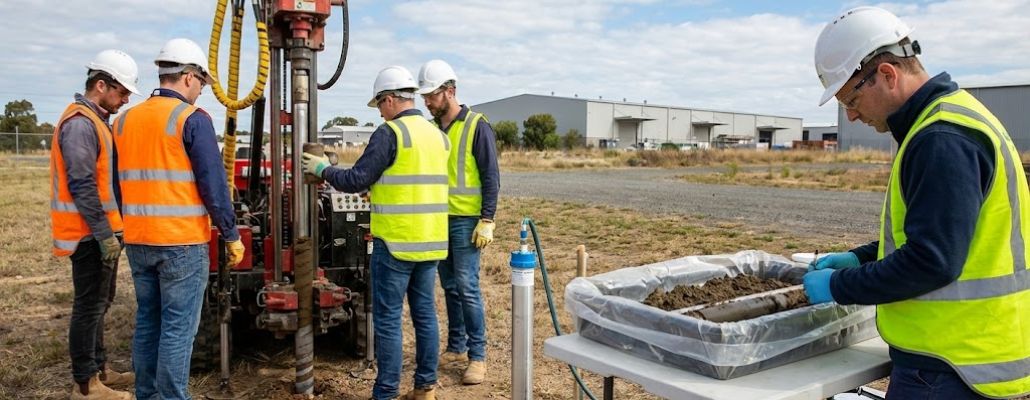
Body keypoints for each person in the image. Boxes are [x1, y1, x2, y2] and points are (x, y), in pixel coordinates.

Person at [805, 6, 1029, 399]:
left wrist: (840, 286)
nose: (852, 115)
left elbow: (931, 261)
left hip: (950, 366)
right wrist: (862, 257)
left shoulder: (940, 138)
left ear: (887, 75)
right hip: (972, 354)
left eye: (850, 99)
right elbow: (948, 232)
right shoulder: (956, 119)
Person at [302, 65, 448, 400]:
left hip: (396, 244)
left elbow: (355, 180)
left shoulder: (390, 134)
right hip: (431, 244)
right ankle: (426, 387)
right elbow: (413, 183)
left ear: (392, 99)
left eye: (380, 104)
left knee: (387, 321)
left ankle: (385, 393)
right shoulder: (438, 136)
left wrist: (323, 169)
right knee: (425, 317)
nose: (380, 112)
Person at [111, 38, 245, 400]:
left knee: (148, 322)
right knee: (177, 328)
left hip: (138, 241)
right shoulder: (192, 119)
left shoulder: (124, 121)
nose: (201, 90)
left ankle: (147, 395)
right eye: (201, 81)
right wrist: (231, 234)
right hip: (181, 244)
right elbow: (214, 185)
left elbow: (116, 184)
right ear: (187, 77)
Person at [51, 49, 140, 400]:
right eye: (121, 91)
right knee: (88, 308)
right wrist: (104, 234)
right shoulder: (79, 125)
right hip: (87, 235)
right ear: (100, 85)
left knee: (101, 303)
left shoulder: (96, 121)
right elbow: (82, 183)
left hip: (99, 232)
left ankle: (100, 371)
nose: (126, 98)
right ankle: (85, 386)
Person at [415, 59, 499, 385]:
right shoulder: (433, 129)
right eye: (424, 97)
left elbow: (491, 176)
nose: (426, 102)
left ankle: (477, 357)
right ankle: (456, 345)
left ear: (450, 92)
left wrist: (487, 218)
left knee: (467, 286)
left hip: (466, 221)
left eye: (431, 96)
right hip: (439, 219)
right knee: (449, 286)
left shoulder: (478, 125)